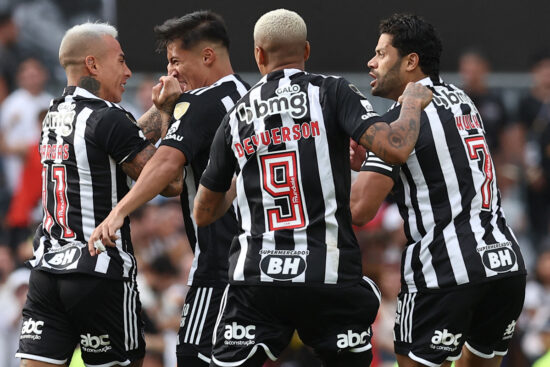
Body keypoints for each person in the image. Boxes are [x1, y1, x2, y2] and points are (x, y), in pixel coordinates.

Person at [192, 9, 432, 367]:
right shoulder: (333, 92)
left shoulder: (237, 115)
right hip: (329, 278)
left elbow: (203, 212)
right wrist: (411, 104)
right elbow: (395, 147)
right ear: (306, 51)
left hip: (257, 281)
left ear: (258, 54)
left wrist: (245, 174)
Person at [349, 13, 526, 367]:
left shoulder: (400, 122)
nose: (371, 62)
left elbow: (360, 208)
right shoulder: (462, 100)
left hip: (444, 271)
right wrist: (369, 161)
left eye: (382, 54)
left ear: (411, 61)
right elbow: (438, 164)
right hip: (505, 265)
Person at [87, 11, 250, 367]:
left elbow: (162, 165)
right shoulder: (247, 95)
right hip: (255, 259)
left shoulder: (200, 102)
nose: (172, 71)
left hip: (218, 264)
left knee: (192, 355)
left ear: (207, 56)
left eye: (176, 61)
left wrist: (120, 211)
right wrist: (165, 110)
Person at [15, 22, 183, 367]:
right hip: (98, 270)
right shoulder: (108, 117)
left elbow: (119, 137)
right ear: (93, 64)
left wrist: (157, 108)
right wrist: (169, 115)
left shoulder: (54, 112)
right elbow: (168, 182)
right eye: (120, 61)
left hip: (47, 271)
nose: (128, 71)